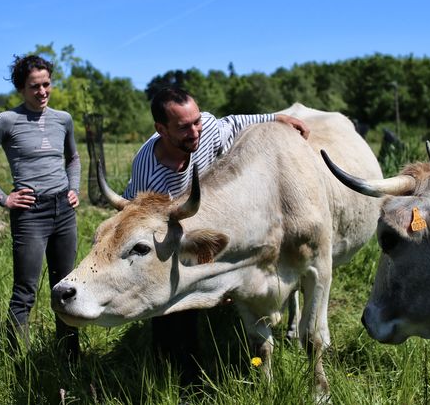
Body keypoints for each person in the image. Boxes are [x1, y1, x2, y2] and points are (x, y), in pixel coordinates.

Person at [123, 87, 309, 384]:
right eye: (183, 127)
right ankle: (177, 374)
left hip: (217, 216)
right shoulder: (149, 170)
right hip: (170, 231)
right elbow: (144, 223)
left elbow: (235, 123)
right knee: (172, 304)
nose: (195, 131)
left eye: (196, 121)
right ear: (161, 129)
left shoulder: (206, 127)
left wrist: (278, 118)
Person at [0, 54, 81, 361]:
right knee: (25, 292)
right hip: (30, 214)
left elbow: (73, 158)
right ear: (21, 88)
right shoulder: (7, 121)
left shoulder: (63, 119)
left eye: (46, 84)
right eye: (34, 87)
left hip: (63, 211)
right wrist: (4, 198)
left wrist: (74, 189)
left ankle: (70, 356)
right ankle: (18, 360)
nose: (42, 92)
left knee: (66, 287)